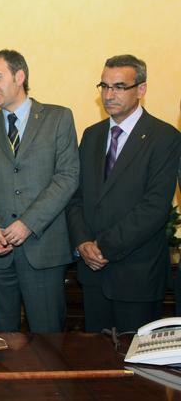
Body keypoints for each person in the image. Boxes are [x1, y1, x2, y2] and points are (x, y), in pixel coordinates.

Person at [0, 49, 79, 333]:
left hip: (43, 250)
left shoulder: (58, 118)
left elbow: (67, 177)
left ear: (19, 76)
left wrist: (28, 223)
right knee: (0, 341)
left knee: (48, 341)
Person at [67, 55, 181, 333]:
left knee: (135, 358)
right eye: (104, 86)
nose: (109, 95)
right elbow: (75, 197)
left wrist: (103, 248)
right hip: (93, 276)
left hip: (137, 276)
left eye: (119, 87)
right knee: (94, 355)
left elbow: (154, 208)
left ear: (141, 89)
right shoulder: (92, 135)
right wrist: (83, 242)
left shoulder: (164, 137)